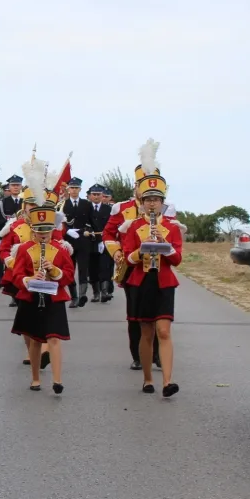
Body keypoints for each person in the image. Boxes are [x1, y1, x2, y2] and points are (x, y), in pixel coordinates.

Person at [121, 172, 183, 397]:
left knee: (163, 331)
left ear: (162, 202)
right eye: (148, 199)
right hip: (141, 281)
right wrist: (142, 249)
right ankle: (148, 379)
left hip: (163, 282)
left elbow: (177, 260)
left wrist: (164, 244)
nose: (152, 203)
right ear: (142, 202)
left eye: (156, 199)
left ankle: (167, 382)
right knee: (146, 332)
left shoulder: (172, 227)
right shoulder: (134, 226)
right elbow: (128, 258)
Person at [103, 141, 162, 371]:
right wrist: (117, 252)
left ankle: (157, 353)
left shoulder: (166, 209)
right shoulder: (122, 208)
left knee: (159, 313)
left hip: (158, 267)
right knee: (135, 313)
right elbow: (108, 234)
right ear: (135, 186)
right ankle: (138, 354)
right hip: (131, 267)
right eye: (141, 185)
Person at [11, 201, 75, 394]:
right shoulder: (24, 249)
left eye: (47, 231)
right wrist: (29, 279)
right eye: (40, 231)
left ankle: (57, 380)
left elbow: (69, 274)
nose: (43, 235)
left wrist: (54, 271)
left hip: (53, 298)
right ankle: (35, 378)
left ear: (52, 230)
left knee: (54, 338)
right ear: (33, 229)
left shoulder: (61, 249)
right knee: (35, 339)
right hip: (31, 297)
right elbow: (16, 275)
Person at [61, 177, 92, 308]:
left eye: (76, 188)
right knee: (70, 269)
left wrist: (95, 237)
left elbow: (92, 221)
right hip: (68, 240)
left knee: (83, 268)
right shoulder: (62, 204)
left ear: (80, 189)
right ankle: (74, 296)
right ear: (68, 189)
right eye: (72, 188)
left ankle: (82, 295)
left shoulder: (86, 204)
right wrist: (67, 231)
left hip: (83, 239)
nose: (74, 190)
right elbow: (59, 223)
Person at [86, 184, 113, 302]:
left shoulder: (108, 209)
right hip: (90, 242)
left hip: (104, 242)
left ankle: (104, 291)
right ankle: (96, 292)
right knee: (92, 269)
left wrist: (105, 238)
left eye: (98, 194)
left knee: (105, 267)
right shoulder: (86, 208)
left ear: (102, 196)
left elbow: (111, 225)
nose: (96, 197)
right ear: (90, 196)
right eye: (94, 194)